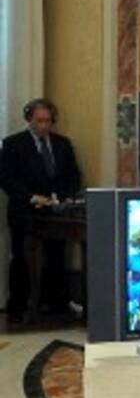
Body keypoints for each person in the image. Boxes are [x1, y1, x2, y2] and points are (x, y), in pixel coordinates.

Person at [0, 98, 82, 318]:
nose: (44, 126)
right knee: (20, 259)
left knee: (56, 257)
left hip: (56, 213)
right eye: (39, 121)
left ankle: (55, 304)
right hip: (25, 212)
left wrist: (66, 198)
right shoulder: (13, 144)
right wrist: (31, 197)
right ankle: (18, 306)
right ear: (29, 120)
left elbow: (74, 176)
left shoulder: (62, 144)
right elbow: (6, 178)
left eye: (48, 121)